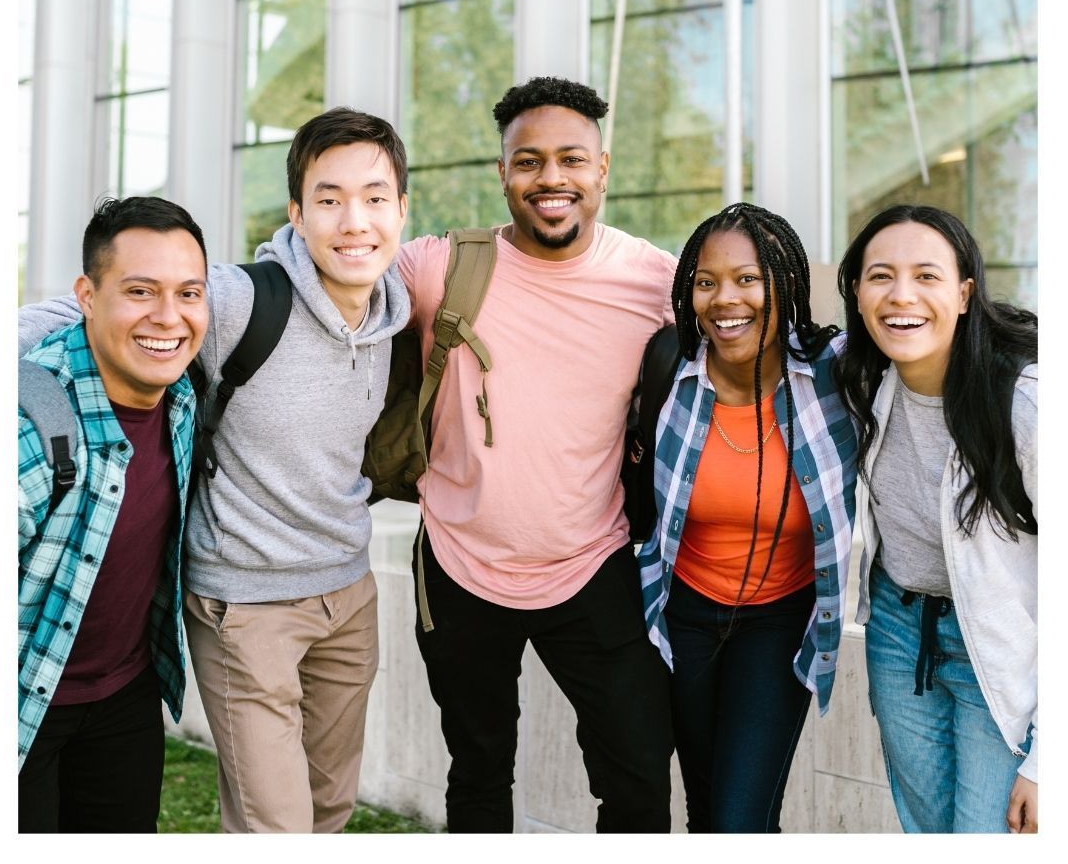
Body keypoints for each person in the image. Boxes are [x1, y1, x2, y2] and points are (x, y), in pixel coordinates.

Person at [17, 107, 410, 833]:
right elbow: (87, 312)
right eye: (329, 199)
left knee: (328, 811)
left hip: (347, 594)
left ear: (401, 208)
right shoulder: (237, 299)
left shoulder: (398, 307)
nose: (355, 221)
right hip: (246, 603)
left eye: (375, 198)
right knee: (275, 828)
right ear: (297, 212)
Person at [395, 76, 677, 832]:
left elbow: (765, 332)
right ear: (503, 174)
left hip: (594, 563)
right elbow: (319, 280)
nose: (551, 179)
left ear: (603, 169)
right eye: (528, 161)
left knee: (640, 781)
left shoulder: (657, 281)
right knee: (479, 774)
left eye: (571, 160)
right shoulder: (439, 268)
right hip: (458, 566)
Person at [637, 202, 857, 833]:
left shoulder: (833, 372)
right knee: (707, 813)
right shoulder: (668, 369)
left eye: (748, 279)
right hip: (682, 614)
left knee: (739, 821)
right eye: (706, 282)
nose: (724, 299)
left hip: (779, 620)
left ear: (785, 283)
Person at [834, 203, 1037, 834]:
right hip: (899, 633)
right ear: (858, 292)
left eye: (926, 276)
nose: (902, 296)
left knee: (987, 832)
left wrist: (1049, 758)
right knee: (925, 830)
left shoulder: (1025, 403)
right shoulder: (860, 379)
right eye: (880, 276)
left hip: (998, 648)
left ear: (965, 292)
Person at [19, 196, 209, 833]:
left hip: (123, 696)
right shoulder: (27, 426)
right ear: (87, 295)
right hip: (20, 705)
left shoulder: (183, 394)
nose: (168, 317)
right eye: (139, 290)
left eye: (189, 293)